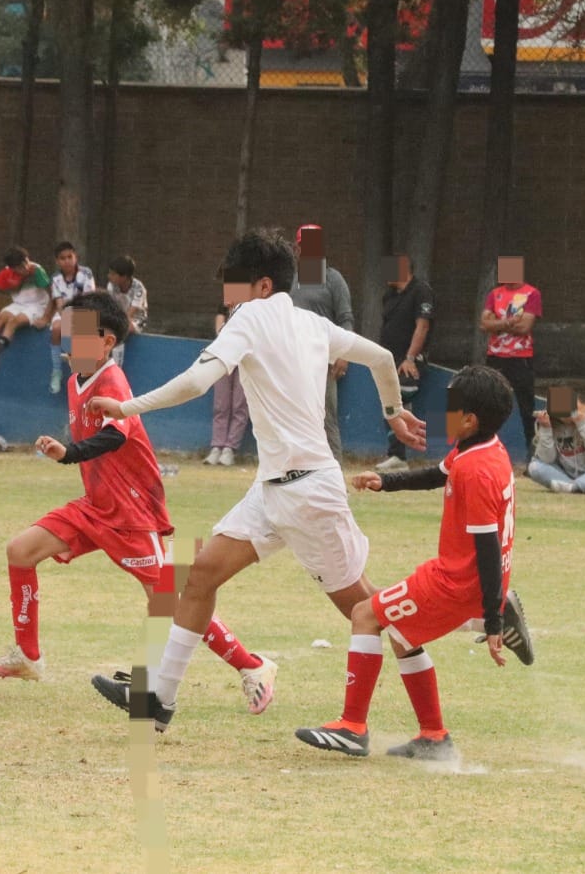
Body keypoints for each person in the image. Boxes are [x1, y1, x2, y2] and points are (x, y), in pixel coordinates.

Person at [87, 227, 426, 733]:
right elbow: (379, 358)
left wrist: (126, 407)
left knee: (367, 609)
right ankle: (159, 698)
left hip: (308, 492)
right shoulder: (313, 323)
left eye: (234, 284)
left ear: (263, 286)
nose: (227, 296)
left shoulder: (250, 316)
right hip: (274, 489)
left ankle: (470, 623)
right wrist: (393, 411)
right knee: (201, 574)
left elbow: (198, 382)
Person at [0, 291, 279, 715]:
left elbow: (117, 435)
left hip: (131, 515)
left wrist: (70, 453)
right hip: (94, 507)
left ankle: (254, 667)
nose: (71, 340)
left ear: (107, 342)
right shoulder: (73, 381)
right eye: (69, 330)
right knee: (20, 551)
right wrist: (69, 450)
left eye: (83, 333)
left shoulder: (112, 380)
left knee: (172, 601)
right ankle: (28, 656)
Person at [295, 364, 529, 762]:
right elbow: (438, 474)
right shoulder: (481, 449)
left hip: (455, 582)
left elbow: (487, 546)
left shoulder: (476, 469)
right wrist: (386, 482)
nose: (444, 413)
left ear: (470, 420)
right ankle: (433, 736)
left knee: (366, 614)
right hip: (462, 578)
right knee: (404, 635)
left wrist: (492, 619)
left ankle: (352, 726)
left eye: (451, 406)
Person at [287, 225, 355, 460]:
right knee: (295, 418)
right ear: (297, 249)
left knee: (326, 418)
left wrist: (343, 354)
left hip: (323, 361)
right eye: (304, 246)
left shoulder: (333, 279)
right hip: (295, 361)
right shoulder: (291, 280)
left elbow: (346, 318)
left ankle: (334, 474)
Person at [375, 257, 434, 473]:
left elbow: (423, 325)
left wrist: (410, 358)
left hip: (409, 362)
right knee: (389, 400)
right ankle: (396, 453)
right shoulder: (389, 295)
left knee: (399, 397)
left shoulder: (421, 291)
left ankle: (399, 454)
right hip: (390, 360)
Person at [480, 265, 542, 459]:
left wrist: (497, 324)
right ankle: (483, 450)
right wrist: (508, 322)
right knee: (487, 403)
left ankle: (533, 457)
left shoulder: (531, 294)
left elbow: (525, 327)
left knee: (527, 407)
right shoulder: (495, 294)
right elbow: (484, 324)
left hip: (521, 357)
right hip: (495, 356)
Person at [46, 241, 95, 394]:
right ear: (57, 261)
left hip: (84, 313)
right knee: (56, 328)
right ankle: (57, 371)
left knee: (82, 328)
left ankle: (84, 376)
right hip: (64, 314)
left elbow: (88, 299)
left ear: (76, 257)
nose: (67, 261)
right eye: (62, 258)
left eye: (70, 256)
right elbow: (60, 305)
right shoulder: (55, 278)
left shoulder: (86, 273)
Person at [0, 246, 51, 356]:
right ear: (12, 268)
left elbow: (53, 294)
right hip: (18, 304)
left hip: (37, 305)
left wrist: (46, 318)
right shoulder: (7, 273)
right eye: (20, 267)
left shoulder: (36, 270)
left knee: (14, 321)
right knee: (0, 318)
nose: (25, 267)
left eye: (26, 262)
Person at [204, 301, 249, 467]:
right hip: (224, 354)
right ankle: (217, 446)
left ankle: (230, 449)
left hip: (246, 357)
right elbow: (219, 327)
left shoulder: (256, 304)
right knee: (221, 403)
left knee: (240, 404)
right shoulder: (226, 301)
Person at [103, 255, 146, 368]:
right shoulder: (111, 286)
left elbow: (131, 313)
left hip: (136, 319)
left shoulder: (139, 288)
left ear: (124, 277)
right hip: (118, 316)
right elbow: (111, 307)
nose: (109, 276)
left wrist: (116, 324)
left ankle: (117, 367)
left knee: (122, 329)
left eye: (113, 274)